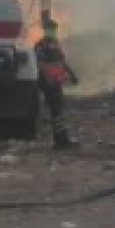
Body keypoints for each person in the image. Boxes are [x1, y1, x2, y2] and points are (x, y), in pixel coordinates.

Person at [34, 19, 79, 149]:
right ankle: (60, 141)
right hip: (48, 82)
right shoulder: (40, 46)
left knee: (59, 110)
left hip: (56, 81)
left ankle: (62, 138)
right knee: (56, 110)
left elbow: (62, 61)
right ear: (45, 31)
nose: (53, 32)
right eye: (50, 30)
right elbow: (40, 65)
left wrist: (72, 74)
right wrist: (48, 79)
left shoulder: (55, 44)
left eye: (54, 30)